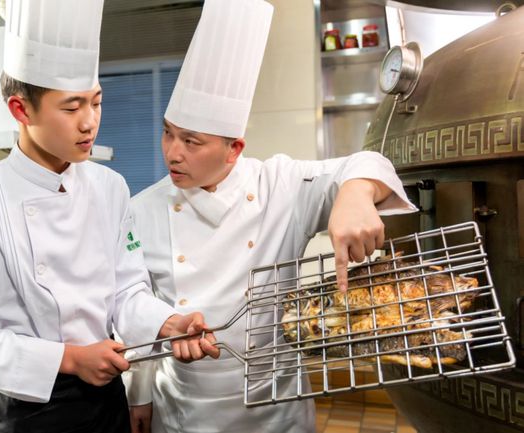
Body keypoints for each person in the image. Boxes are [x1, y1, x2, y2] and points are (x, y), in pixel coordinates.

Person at [0, 1, 218, 432]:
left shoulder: (110, 188)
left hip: (106, 404)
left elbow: (124, 291)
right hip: (31, 412)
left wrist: (167, 323)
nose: (90, 122)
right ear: (21, 110)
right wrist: (69, 359)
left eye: (96, 102)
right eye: (71, 107)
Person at [125, 0, 418, 432]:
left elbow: (366, 163)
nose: (172, 152)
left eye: (191, 140)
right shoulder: (141, 208)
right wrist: (140, 394)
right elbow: (134, 300)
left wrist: (355, 194)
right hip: (184, 410)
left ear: (234, 149)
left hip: (275, 412)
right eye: (168, 132)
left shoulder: (279, 184)